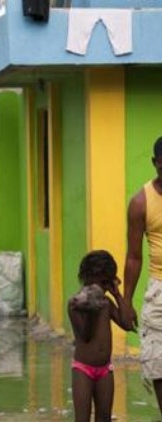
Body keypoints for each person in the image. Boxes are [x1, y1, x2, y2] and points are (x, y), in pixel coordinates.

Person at [68, 250, 133, 422]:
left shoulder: (106, 303)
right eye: (103, 283)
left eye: (106, 284)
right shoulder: (75, 304)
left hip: (105, 370)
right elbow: (85, 336)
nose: (103, 288)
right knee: (82, 418)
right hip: (83, 370)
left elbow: (127, 323)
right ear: (88, 279)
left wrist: (117, 294)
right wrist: (91, 311)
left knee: (104, 418)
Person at [124, 136, 162, 412]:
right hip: (158, 292)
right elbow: (134, 256)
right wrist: (126, 302)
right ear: (154, 164)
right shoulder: (140, 202)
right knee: (157, 364)